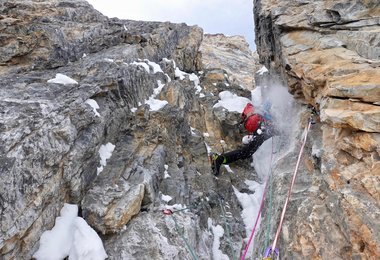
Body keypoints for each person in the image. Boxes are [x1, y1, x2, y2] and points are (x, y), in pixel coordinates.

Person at [210, 100, 276, 176]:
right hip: (262, 126)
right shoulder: (272, 107)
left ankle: (220, 159)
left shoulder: (260, 111)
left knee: (246, 152)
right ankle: (219, 159)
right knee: (246, 152)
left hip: (260, 127)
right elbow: (266, 105)